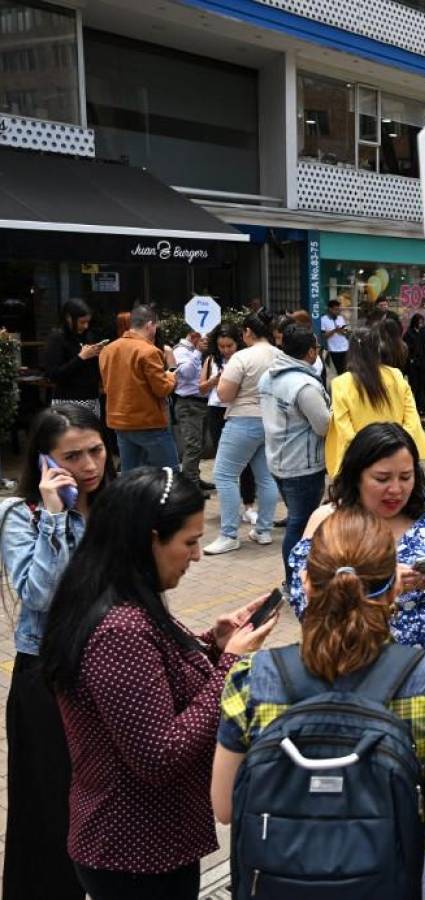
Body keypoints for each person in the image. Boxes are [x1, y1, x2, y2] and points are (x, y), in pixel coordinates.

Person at [40, 468, 277, 900]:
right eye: (188, 542)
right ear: (150, 539)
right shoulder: (119, 628)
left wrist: (211, 644)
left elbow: (156, 680)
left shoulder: (122, 594)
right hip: (133, 852)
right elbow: (160, 754)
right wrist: (230, 664)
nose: (198, 555)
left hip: (150, 842)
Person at [212, 508, 425, 899]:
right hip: (386, 876)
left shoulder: (252, 678)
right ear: (395, 587)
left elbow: (226, 807)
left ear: (307, 583)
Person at [0, 406, 114, 900]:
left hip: (110, 669)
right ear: (46, 461)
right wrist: (54, 515)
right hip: (47, 678)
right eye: (73, 456)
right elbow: (39, 594)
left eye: (96, 450)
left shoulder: (117, 505)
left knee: (107, 803)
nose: (89, 465)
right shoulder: (20, 515)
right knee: (48, 808)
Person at [291, 423, 425, 650]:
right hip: (360, 665)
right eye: (382, 478)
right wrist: (377, 586)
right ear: (357, 476)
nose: (396, 489)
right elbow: (304, 604)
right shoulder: (328, 521)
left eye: (406, 477)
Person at [258, 324, 331, 585]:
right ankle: (294, 581)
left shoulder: (269, 376)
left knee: (297, 521)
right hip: (303, 466)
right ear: (311, 352)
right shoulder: (304, 385)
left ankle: (297, 578)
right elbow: (323, 425)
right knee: (300, 525)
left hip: (278, 461)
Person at [204, 315, 280, 555]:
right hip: (270, 420)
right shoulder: (280, 355)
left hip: (243, 419)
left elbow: (224, 394)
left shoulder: (243, 356)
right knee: (265, 477)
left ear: (248, 332)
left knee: (224, 475)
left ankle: (228, 534)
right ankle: (264, 530)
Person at [325, 326, 425, 476]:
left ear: (352, 351)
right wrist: (394, 448)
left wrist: (370, 453)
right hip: (398, 459)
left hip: (358, 463)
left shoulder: (340, 383)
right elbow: (412, 421)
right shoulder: (396, 376)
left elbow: (345, 430)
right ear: (378, 348)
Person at [98, 305, 179, 469]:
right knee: (170, 474)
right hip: (149, 422)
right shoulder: (149, 351)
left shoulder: (108, 350)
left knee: (131, 475)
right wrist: (171, 373)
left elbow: (107, 386)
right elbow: (162, 389)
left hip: (119, 421)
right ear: (150, 325)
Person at [200, 324, 256, 520]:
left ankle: (249, 505)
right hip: (216, 411)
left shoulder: (246, 359)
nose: (225, 350)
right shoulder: (211, 360)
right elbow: (201, 388)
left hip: (239, 411)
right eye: (221, 346)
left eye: (229, 346)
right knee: (223, 461)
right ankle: (229, 507)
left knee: (247, 461)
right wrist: (215, 380)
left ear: (237, 343)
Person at [42, 297, 103, 416]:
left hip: (91, 398)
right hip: (68, 401)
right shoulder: (57, 338)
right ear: (69, 318)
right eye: (82, 322)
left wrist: (99, 354)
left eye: (87, 322)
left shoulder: (87, 336)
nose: (86, 326)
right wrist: (81, 357)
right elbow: (53, 374)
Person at [171, 330, 210, 492]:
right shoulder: (180, 350)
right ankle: (190, 487)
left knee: (198, 445)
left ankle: (195, 477)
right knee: (192, 446)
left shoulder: (196, 350)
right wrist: (198, 352)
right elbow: (186, 373)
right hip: (188, 403)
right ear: (194, 335)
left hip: (201, 402)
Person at [320, 297, 350, 374]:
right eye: (336, 309)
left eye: (339, 309)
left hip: (345, 347)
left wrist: (343, 331)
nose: (338, 311)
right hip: (334, 349)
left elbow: (346, 332)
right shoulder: (323, 319)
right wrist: (334, 330)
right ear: (330, 309)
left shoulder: (341, 318)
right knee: (340, 370)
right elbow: (323, 335)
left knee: (347, 370)